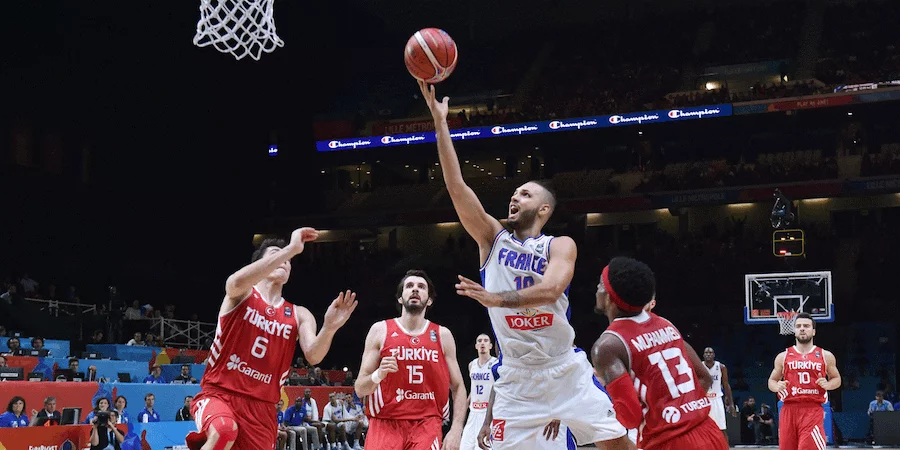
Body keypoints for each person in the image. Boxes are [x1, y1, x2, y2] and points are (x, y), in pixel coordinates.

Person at [420, 81, 630, 450]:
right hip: (516, 378)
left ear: (544, 209)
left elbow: (550, 290)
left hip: (565, 369)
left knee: (617, 444)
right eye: (516, 191)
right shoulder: (491, 238)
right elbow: (456, 186)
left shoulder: (560, 245)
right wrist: (440, 123)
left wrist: (496, 299)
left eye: (526, 193)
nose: (516, 195)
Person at [185, 228, 358, 450]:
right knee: (224, 429)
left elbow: (314, 355)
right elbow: (234, 283)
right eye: (278, 255)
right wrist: (291, 249)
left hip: (263, 408)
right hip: (221, 394)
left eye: (289, 261)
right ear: (261, 265)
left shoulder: (299, 313)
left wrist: (329, 327)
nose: (286, 260)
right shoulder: (243, 294)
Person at [593, 257, 728, 450]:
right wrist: (682, 410)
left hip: (668, 442)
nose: (596, 289)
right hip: (709, 432)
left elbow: (631, 418)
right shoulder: (666, 324)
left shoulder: (607, 346)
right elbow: (704, 378)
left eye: (600, 284)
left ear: (609, 297)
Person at [355, 270, 467, 450]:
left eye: (421, 287)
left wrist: (456, 429)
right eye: (409, 286)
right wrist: (378, 374)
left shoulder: (442, 335)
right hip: (385, 422)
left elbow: (459, 386)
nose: (415, 289)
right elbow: (360, 389)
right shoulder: (380, 330)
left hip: (427, 423)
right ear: (400, 298)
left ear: (429, 300)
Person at [768, 312, 842, 450]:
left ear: (813, 331)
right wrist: (777, 386)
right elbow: (771, 381)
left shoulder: (825, 355)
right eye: (799, 326)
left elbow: (837, 378)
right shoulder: (783, 356)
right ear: (794, 330)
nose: (802, 328)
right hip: (788, 409)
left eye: (806, 326)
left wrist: (829, 384)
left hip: (812, 409)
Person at [460, 334, 497, 450]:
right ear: (476, 346)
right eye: (479, 341)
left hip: (487, 414)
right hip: (473, 413)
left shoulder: (496, 364)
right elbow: (473, 389)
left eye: (486, 341)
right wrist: (463, 410)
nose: (482, 343)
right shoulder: (472, 365)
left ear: (490, 345)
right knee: (464, 446)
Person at [702, 347, 736, 441]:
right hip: (704, 400)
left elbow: (726, 385)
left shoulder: (721, 367)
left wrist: (731, 403)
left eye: (710, 352)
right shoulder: (699, 367)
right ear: (703, 355)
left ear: (714, 355)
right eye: (706, 352)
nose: (708, 354)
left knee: (721, 429)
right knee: (702, 429)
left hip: (716, 399)